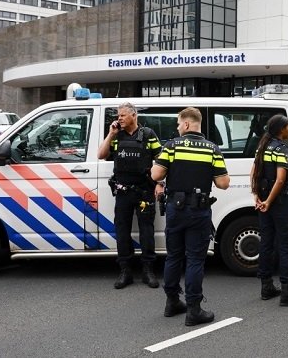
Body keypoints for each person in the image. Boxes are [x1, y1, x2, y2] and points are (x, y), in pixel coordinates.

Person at [151, 107, 230, 326]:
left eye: (178, 123)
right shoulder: (212, 149)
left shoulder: (172, 146)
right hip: (198, 211)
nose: (178, 127)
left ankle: (172, 302)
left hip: (175, 210)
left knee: (174, 256)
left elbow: (156, 174)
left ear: (186, 124)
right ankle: (194, 310)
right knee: (195, 259)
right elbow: (223, 183)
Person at [97, 102, 164, 290]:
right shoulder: (117, 135)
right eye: (118, 115)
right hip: (123, 192)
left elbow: (161, 160)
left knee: (147, 232)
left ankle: (148, 271)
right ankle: (125, 271)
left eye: (123, 115)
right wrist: (111, 134)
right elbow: (101, 154)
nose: (119, 118)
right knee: (122, 231)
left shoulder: (148, 135)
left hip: (144, 191)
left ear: (134, 116)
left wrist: (160, 183)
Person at [250, 114, 288, 306]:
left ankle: (266, 287)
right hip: (279, 203)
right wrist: (269, 201)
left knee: (266, 243)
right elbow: (281, 179)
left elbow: (254, 172)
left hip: (263, 200)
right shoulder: (281, 148)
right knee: (286, 246)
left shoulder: (262, 146)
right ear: (281, 129)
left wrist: (256, 195)